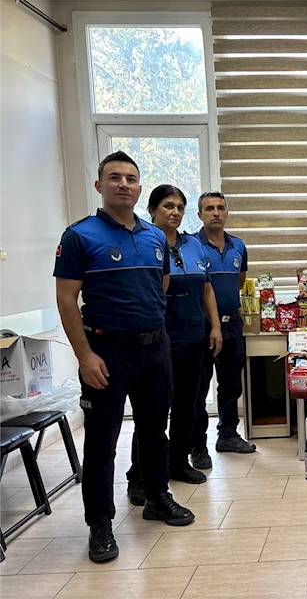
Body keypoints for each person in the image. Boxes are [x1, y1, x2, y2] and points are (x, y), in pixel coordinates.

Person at [54, 152, 195, 564]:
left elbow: (161, 286)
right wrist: (85, 356)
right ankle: (100, 525)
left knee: (154, 432)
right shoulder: (80, 236)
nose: (123, 184)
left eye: (131, 178)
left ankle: (156, 498)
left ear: (138, 187)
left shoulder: (154, 237)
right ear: (100, 185)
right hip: (106, 352)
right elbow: (66, 298)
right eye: (114, 177)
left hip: (155, 349)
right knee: (102, 441)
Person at [126, 185, 224, 505]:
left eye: (180, 207)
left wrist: (216, 327)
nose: (176, 212)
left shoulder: (194, 244)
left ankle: (178, 463)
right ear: (153, 209)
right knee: (152, 414)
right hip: (158, 342)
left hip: (195, 338)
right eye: (168, 206)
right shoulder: (142, 243)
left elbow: (206, 288)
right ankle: (139, 476)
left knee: (187, 407)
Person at [190, 190, 256, 468]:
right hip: (201, 328)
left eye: (220, 208)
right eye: (209, 208)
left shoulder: (238, 246)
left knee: (231, 385)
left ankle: (228, 435)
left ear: (227, 212)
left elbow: (240, 283)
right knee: (198, 389)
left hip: (232, 326)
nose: (215, 212)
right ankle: (197, 447)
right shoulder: (191, 245)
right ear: (200, 215)